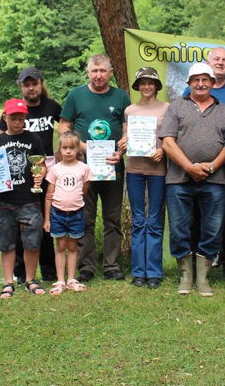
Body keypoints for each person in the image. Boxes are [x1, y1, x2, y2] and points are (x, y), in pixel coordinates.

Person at [59, 54, 131, 282]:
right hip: (82, 167)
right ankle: (86, 266)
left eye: (103, 71)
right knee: (86, 218)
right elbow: (63, 127)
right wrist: (82, 147)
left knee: (112, 219)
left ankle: (111, 265)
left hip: (113, 167)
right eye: (94, 71)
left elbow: (128, 129)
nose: (98, 75)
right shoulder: (76, 95)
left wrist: (122, 149)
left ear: (110, 72)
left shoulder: (121, 96)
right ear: (88, 73)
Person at [161, 63, 225, 296]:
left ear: (212, 83)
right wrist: (189, 167)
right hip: (179, 180)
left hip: (215, 180)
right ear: (189, 83)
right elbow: (168, 142)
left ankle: (202, 277)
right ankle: (185, 276)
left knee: (212, 229)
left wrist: (210, 167)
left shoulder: (223, 110)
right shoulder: (176, 106)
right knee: (180, 229)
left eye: (205, 80)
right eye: (196, 80)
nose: (201, 84)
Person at [183, 47, 225, 278]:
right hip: (194, 167)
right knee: (196, 216)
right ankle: (200, 265)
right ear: (208, 63)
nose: (220, 62)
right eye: (216, 59)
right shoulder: (188, 91)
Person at [0, 99, 46, 298]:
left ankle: (31, 279)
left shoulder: (34, 138)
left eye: (21, 118)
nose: (17, 122)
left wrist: (40, 174)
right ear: (4, 117)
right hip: (4, 201)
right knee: (6, 243)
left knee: (32, 242)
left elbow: (41, 164)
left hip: (29, 199)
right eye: (13, 118)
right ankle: (8, 282)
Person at [0, 66, 61, 283]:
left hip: (45, 172)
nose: (31, 88)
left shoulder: (52, 106)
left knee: (44, 222)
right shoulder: (14, 109)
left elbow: (66, 130)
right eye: (27, 84)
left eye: (34, 83)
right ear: (21, 86)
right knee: (16, 223)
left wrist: (63, 160)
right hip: (18, 176)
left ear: (41, 83)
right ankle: (19, 272)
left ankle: (49, 269)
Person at [119, 67, 169, 289]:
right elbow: (126, 136)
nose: (147, 86)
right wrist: (123, 143)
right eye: (143, 83)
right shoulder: (130, 110)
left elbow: (170, 137)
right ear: (137, 86)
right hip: (135, 169)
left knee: (155, 221)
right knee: (139, 220)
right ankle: (139, 272)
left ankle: (155, 272)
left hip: (158, 170)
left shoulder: (167, 109)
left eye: (151, 82)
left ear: (156, 86)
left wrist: (164, 151)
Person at [44, 132, 92, 294]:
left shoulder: (84, 168)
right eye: (65, 148)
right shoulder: (55, 169)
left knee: (72, 246)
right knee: (60, 246)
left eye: (72, 148)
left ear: (78, 149)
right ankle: (60, 280)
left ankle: (71, 279)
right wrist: (47, 219)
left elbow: (85, 189)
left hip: (76, 213)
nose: (68, 151)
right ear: (59, 150)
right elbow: (49, 195)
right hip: (57, 213)